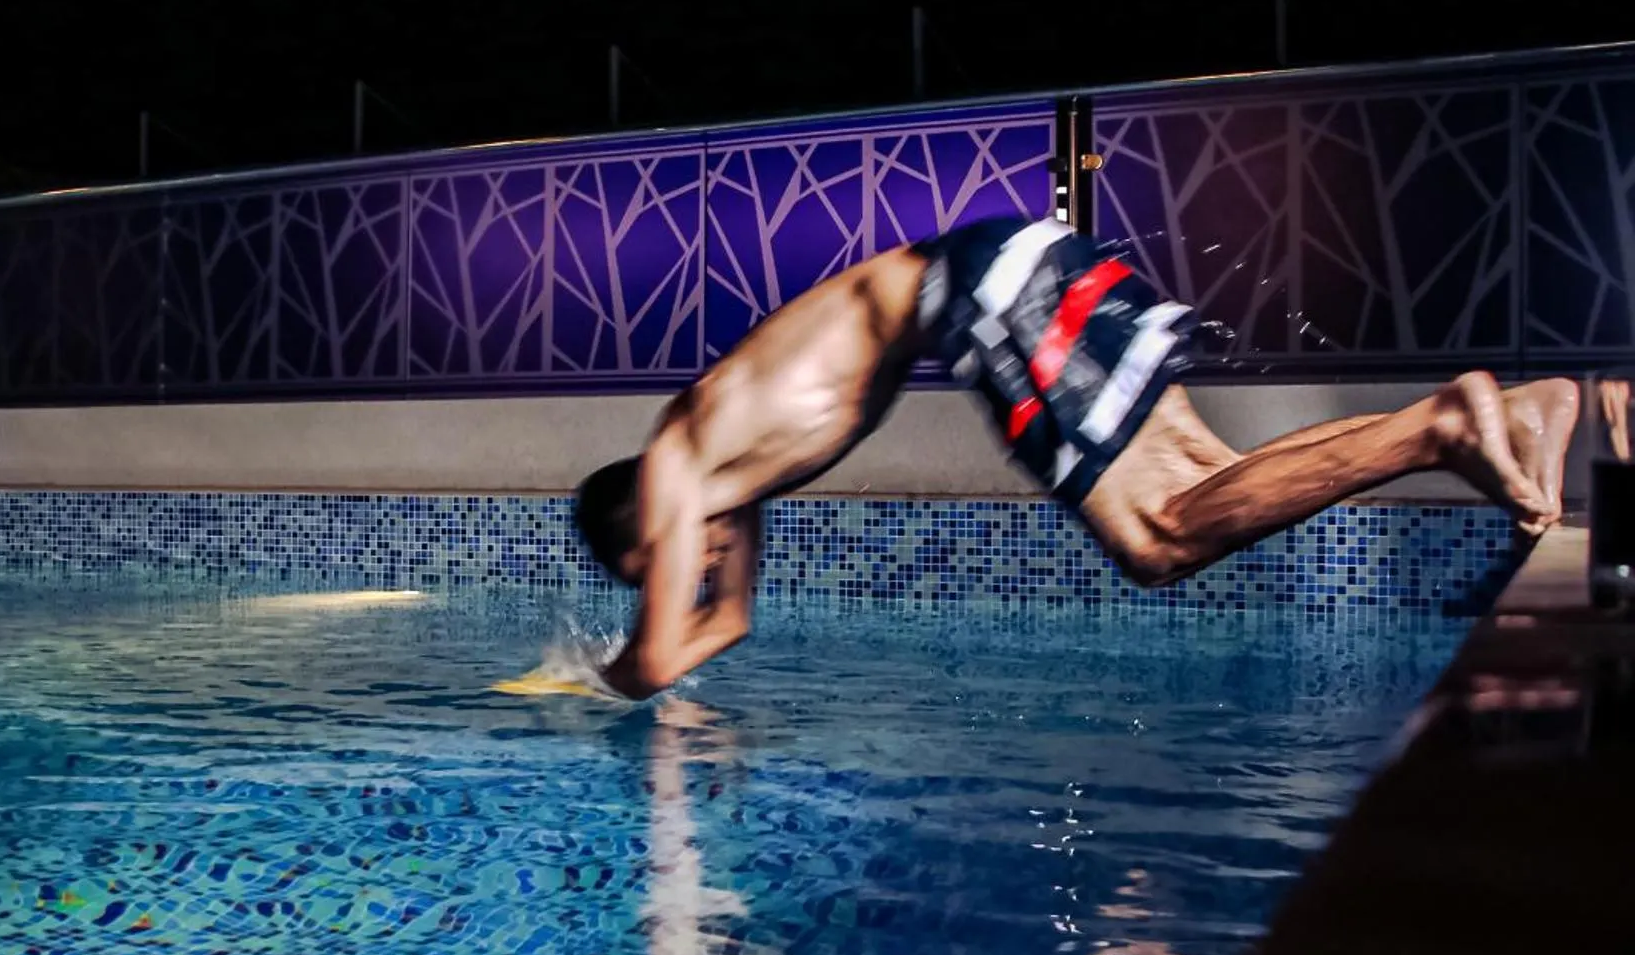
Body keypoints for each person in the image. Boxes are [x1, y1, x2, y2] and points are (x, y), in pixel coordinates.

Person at [572, 214, 1578, 700]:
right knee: (1206, 482)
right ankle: (1511, 410)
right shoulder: (726, 477)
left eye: (658, 563)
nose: (687, 570)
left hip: (982, 297)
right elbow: (731, 626)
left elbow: (657, 657)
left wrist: (580, 684)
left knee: (1155, 537)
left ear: (641, 527)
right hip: (1011, 267)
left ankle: (1444, 426)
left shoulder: (675, 464)